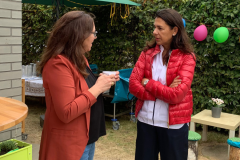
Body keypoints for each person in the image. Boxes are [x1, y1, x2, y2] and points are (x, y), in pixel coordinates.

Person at [37, 11, 119, 160]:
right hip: (69, 145)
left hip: (87, 140)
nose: (95, 37)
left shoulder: (80, 59)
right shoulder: (58, 64)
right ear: (80, 35)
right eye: (93, 33)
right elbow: (66, 112)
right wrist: (98, 88)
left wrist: (102, 82)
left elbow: (84, 90)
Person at [129, 8, 196, 160]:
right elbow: (133, 84)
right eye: (154, 27)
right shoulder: (147, 53)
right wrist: (163, 91)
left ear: (174, 30)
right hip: (146, 123)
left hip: (173, 126)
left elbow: (176, 95)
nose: (154, 32)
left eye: (160, 28)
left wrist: (147, 82)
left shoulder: (187, 58)